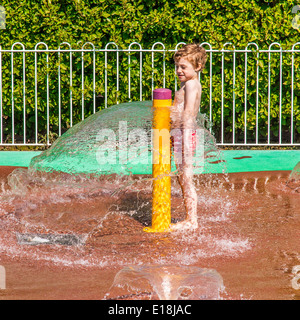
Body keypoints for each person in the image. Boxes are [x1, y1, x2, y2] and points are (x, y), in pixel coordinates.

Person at [170, 43, 207, 230]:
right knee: (182, 177)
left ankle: (192, 220)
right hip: (179, 133)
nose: (178, 70)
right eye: (177, 66)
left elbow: (188, 113)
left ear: (198, 67)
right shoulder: (186, 84)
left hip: (186, 133)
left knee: (186, 177)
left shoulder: (192, 85)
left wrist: (184, 139)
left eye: (183, 67)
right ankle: (189, 217)